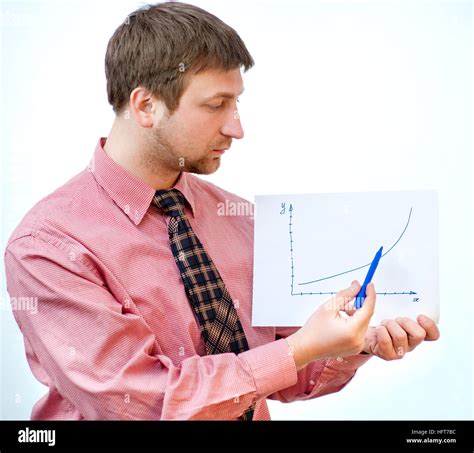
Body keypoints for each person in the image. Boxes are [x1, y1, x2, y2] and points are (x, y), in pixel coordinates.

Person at [4, 2, 439, 421]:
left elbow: (280, 372)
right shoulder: (48, 247)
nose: (237, 128)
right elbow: (141, 405)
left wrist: (354, 344)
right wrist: (300, 349)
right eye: (216, 106)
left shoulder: (238, 218)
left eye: (237, 103)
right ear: (145, 106)